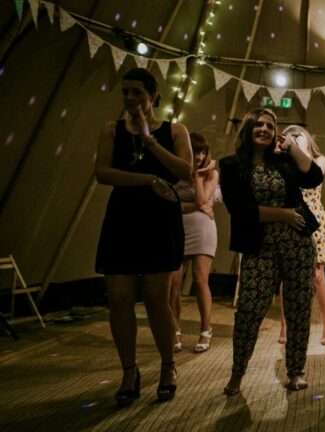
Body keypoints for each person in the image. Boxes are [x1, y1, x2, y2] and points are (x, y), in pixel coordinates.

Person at [94, 68, 193, 406]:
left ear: (153, 97)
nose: (130, 99)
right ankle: (128, 371)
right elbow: (103, 173)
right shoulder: (112, 130)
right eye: (126, 93)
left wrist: (151, 141)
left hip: (159, 219)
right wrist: (148, 179)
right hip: (122, 218)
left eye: (137, 92)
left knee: (156, 299)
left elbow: (184, 170)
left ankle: (167, 367)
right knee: (119, 298)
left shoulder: (175, 130)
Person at [219, 108, 323, 394]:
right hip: (259, 246)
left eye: (270, 125)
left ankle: (296, 371)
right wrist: (283, 214)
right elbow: (240, 210)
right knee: (250, 309)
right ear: (248, 128)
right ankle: (237, 372)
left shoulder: (284, 161)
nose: (264, 129)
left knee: (299, 308)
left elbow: (314, 177)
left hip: (297, 244)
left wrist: (290, 146)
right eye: (259, 125)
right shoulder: (229, 165)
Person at [277, 125, 325, 346]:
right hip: (291, 216)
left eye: (298, 136)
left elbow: (314, 176)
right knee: (287, 276)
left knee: (319, 275)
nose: (294, 139)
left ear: (307, 139)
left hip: (314, 220)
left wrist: (296, 149)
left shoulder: (320, 159)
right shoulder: (283, 162)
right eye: (290, 136)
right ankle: (284, 323)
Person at [169, 132, 219, 354]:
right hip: (175, 227)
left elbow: (202, 200)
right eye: (195, 151)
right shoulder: (173, 172)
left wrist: (198, 176)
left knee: (200, 280)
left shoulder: (210, 174)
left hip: (202, 228)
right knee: (173, 284)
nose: (199, 156)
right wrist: (196, 206)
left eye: (202, 152)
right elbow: (170, 205)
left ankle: (206, 330)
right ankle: (174, 330)